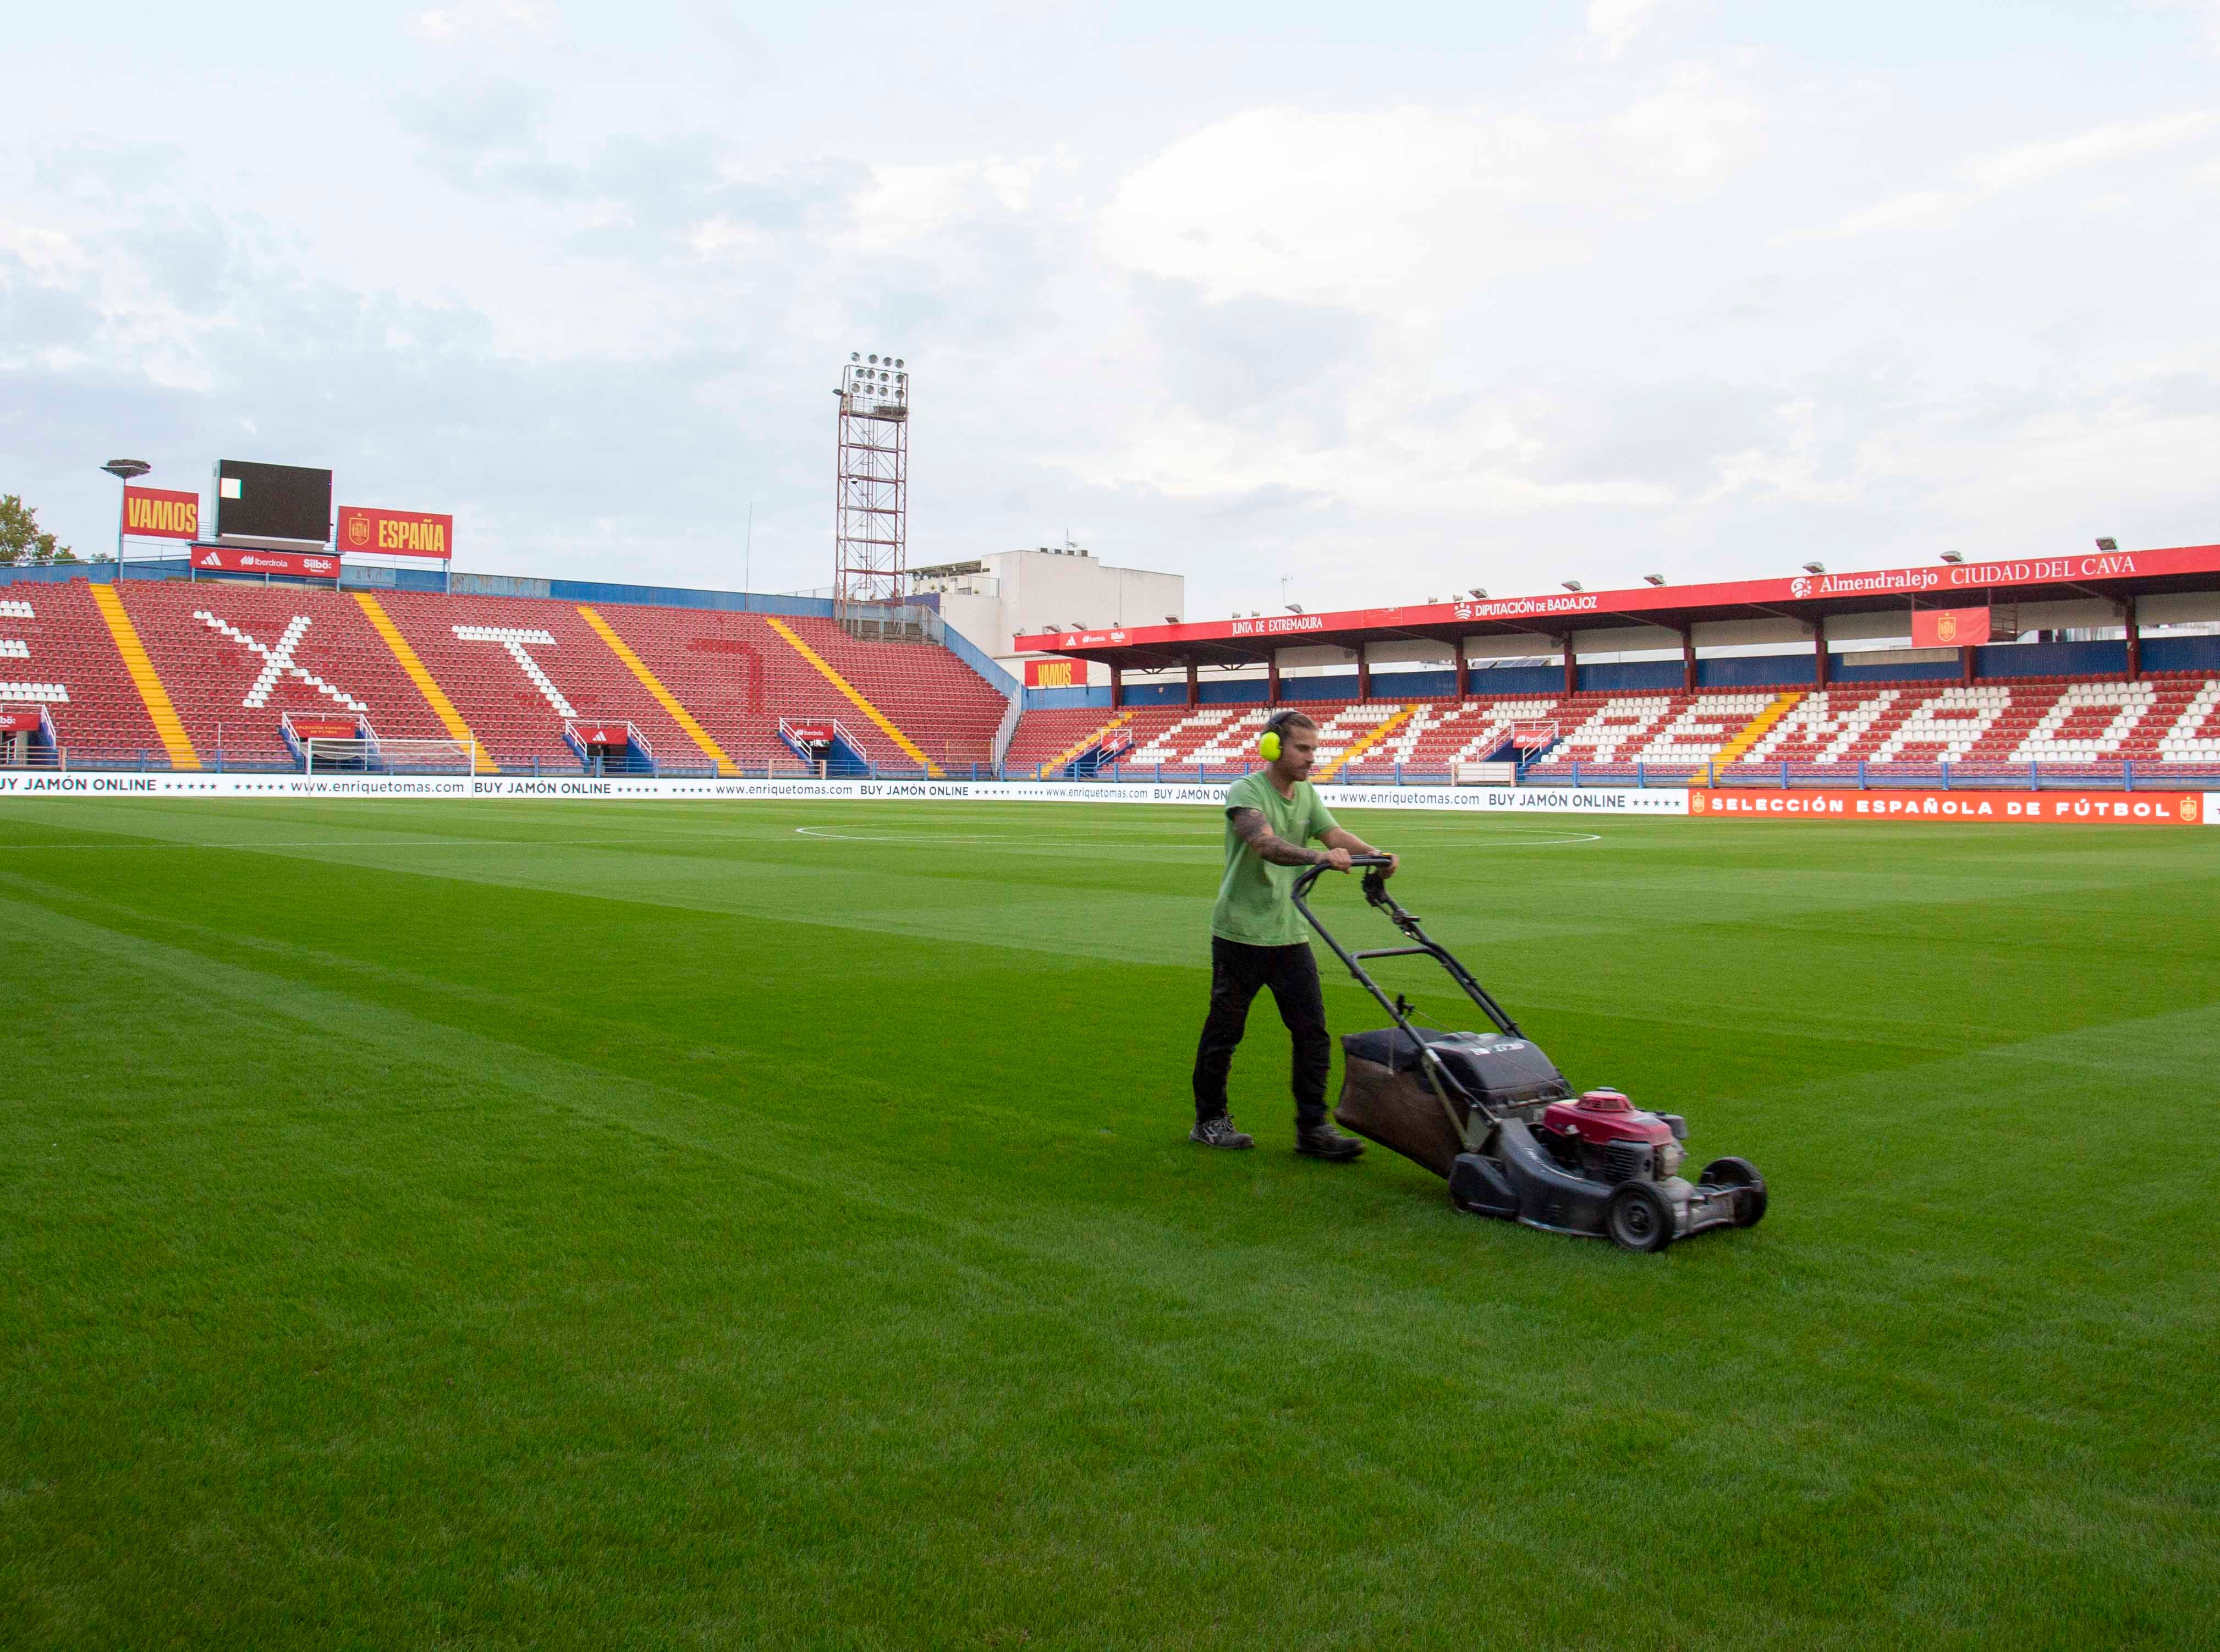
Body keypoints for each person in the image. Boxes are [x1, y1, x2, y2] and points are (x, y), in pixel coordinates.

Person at [1190, 709, 1398, 1157]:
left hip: (1289, 934)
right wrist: (1318, 858)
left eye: (1314, 749)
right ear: (1273, 747)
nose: (1311, 758)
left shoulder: (1306, 794)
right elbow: (1264, 844)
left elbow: (1334, 832)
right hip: (1240, 933)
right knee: (1225, 1032)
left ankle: (1313, 1128)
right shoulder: (1246, 791)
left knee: (1312, 1033)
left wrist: (1374, 853)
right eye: (1303, 748)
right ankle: (1209, 1120)